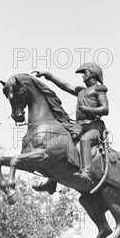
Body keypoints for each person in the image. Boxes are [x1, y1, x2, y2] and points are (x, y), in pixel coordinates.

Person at [33, 62, 109, 192]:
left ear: (93, 75)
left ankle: (86, 172)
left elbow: (105, 109)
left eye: (85, 73)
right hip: (79, 126)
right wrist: (49, 76)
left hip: (93, 127)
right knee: (60, 144)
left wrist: (90, 110)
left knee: (85, 140)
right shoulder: (81, 91)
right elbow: (66, 86)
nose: (83, 76)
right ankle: (52, 181)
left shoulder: (99, 89)